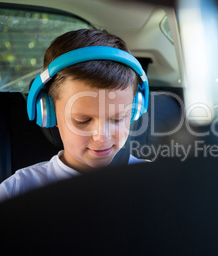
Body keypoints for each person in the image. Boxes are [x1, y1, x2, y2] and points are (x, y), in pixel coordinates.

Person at [0, 29, 148, 202]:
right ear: (48, 113)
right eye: (83, 121)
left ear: (135, 109)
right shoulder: (17, 191)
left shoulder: (155, 180)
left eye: (117, 118)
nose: (102, 136)